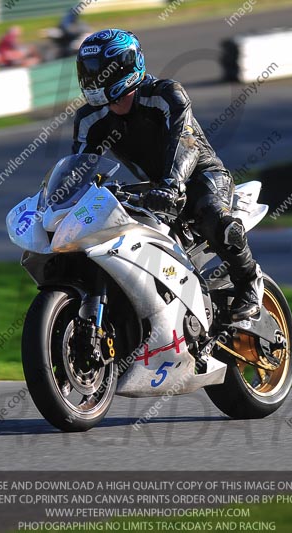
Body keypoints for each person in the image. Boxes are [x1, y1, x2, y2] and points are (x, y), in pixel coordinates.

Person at [72, 29, 263, 321]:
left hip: (201, 177)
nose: (92, 81)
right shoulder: (89, 118)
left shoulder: (165, 94)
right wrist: (63, 199)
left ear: (125, 66)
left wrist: (172, 184)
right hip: (151, 189)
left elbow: (185, 141)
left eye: (99, 72)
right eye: (88, 73)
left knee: (213, 213)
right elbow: (78, 167)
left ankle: (249, 282)